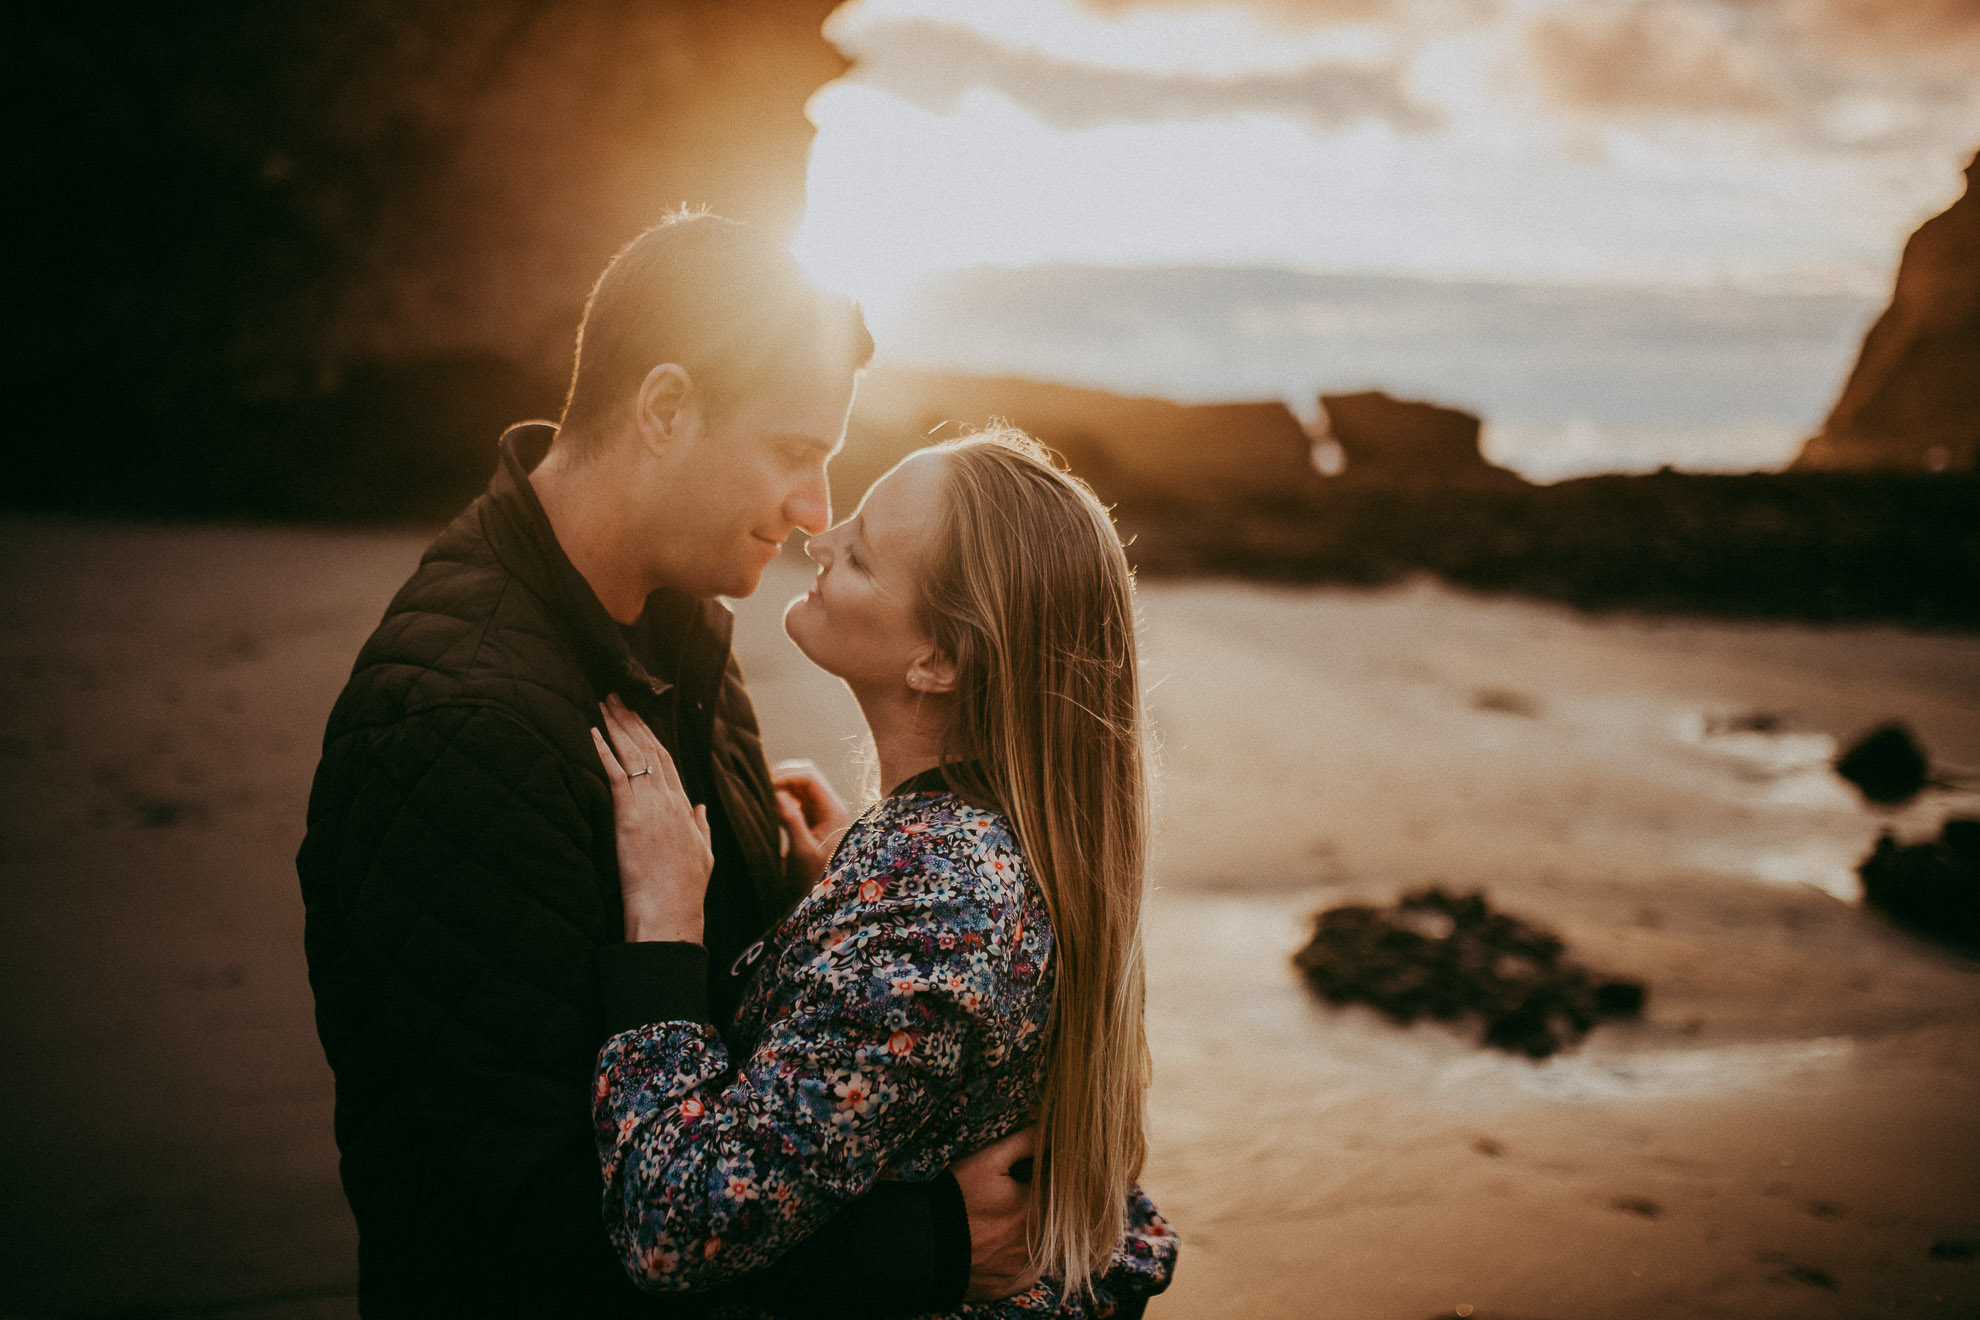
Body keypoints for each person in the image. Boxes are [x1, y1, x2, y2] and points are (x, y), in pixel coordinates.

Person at [296, 213, 1034, 1318]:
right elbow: (531, 1223)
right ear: (665, 410)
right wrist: (916, 1249)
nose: (813, 514)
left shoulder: (677, 618)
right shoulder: (452, 726)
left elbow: (719, 1016)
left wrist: (821, 913)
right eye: (794, 453)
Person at [589, 432, 1179, 1317]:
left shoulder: (931, 900)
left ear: (937, 662)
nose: (819, 534)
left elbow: (676, 1229)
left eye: (859, 552)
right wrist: (827, 911)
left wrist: (666, 935)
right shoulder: (994, 849)